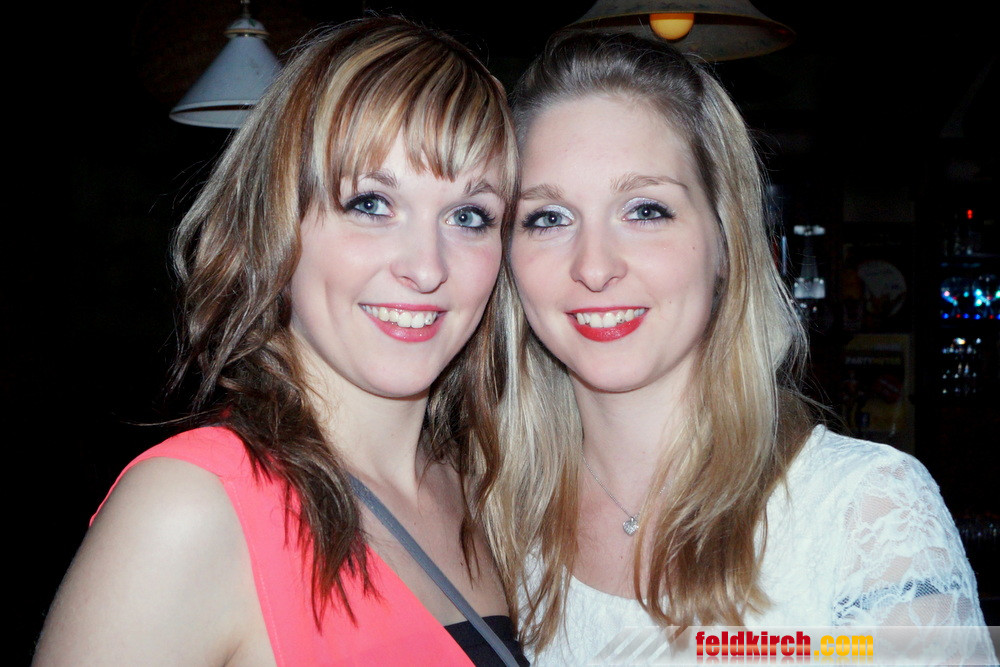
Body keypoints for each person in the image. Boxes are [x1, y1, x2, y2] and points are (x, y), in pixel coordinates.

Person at [35, 17, 527, 666]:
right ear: (277, 224)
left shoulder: (481, 492)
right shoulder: (191, 507)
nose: (427, 266)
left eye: (468, 216)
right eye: (371, 204)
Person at [489, 31, 994, 664]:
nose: (594, 266)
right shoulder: (486, 517)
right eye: (548, 218)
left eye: (645, 211)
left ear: (727, 240)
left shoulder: (866, 514)